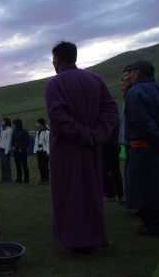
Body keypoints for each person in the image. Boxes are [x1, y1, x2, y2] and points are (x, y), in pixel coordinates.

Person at [45, 41, 118, 253]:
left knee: (68, 192)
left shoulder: (54, 84)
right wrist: (99, 134)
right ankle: (94, 237)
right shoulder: (95, 79)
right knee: (92, 190)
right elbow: (110, 109)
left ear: (57, 59)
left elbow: (58, 117)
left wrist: (83, 134)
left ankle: (73, 240)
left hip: (66, 149)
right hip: (92, 147)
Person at [124, 60, 159, 237]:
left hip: (142, 148)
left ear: (139, 72)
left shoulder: (135, 92)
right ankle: (157, 218)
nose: (128, 76)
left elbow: (142, 122)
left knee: (143, 187)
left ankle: (151, 226)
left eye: (130, 72)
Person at [101, 125, 124, 202]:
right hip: (112, 145)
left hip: (110, 146)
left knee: (107, 170)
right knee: (113, 171)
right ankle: (117, 195)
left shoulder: (111, 117)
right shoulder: (114, 117)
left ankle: (113, 194)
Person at [12, 119, 30, 184]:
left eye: (14, 124)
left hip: (22, 151)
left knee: (24, 165)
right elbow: (13, 140)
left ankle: (26, 179)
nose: (13, 125)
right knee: (17, 165)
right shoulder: (14, 131)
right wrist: (13, 146)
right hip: (16, 150)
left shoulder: (24, 131)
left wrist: (22, 148)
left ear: (17, 124)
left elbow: (27, 141)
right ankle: (19, 178)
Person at [34, 118, 50, 185]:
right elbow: (36, 142)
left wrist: (48, 151)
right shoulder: (38, 131)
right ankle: (42, 179)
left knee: (45, 166)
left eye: (37, 123)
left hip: (45, 151)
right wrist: (35, 151)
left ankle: (46, 179)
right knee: (40, 166)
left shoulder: (47, 132)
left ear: (41, 124)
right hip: (39, 151)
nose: (36, 124)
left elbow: (48, 142)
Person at [0, 118, 13, 183]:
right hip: (1, 148)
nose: (2, 122)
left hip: (5, 149)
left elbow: (9, 141)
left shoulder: (9, 130)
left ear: (6, 122)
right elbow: (0, 138)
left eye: (3, 121)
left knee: (6, 164)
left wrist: (6, 151)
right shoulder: (1, 128)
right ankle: (3, 178)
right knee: (2, 165)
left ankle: (8, 178)